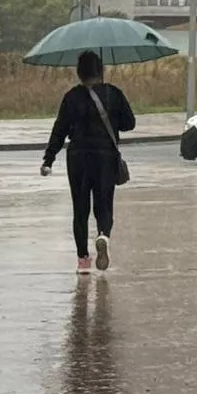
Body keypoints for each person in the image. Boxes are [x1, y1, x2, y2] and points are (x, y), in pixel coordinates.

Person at [41, 50, 136, 273]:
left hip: (78, 157)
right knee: (104, 202)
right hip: (105, 155)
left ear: (79, 72)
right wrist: (113, 119)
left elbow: (60, 129)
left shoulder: (72, 96)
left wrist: (49, 159)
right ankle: (103, 234)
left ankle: (83, 261)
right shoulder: (113, 93)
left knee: (80, 208)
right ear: (101, 70)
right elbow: (129, 123)